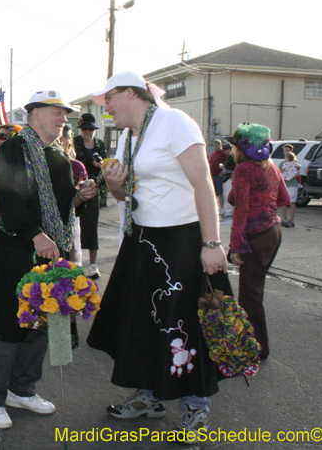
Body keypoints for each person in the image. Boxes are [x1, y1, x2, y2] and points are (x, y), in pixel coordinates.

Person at [85, 71, 229, 441]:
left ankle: (196, 409)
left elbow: (203, 183)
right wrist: (115, 185)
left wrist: (211, 243)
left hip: (182, 239)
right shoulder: (127, 139)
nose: (106, 108)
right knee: (142, 322)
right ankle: (149, 396)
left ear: (131, 94)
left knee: (182, 322)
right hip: (142, 239)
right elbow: (124, 197)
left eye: (109, 99)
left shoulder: (173, 122)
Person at [0, 90, 97, 429]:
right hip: (16, 250)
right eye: (56, 112)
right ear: (34, 114)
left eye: (64, 113)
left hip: (51, 253)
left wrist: (80, 196)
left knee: (43, 321)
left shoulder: (58, 155)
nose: (63, 118)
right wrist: (34, 233)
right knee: (9, 324)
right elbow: (10, 197)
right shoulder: (15, 147)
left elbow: (61, 206)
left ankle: (22, 389)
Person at [226, 123, 289, 360]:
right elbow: (283, 197)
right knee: (254, 291)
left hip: (254, 235)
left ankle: (257, 348)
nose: (232, 151)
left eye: (233, 147)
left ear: (241, 149)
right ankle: (251, 342)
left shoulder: (244, 170)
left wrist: (236, 245)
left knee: (250, 296)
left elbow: (241, 207)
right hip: (272, 232)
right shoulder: (272, 167)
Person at [73, 112, 106, 279]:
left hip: (93, 190)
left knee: (91, 228)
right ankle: (74, 263)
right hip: (76, 189)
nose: (87, 132)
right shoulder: (75, 142)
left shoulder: (100, 144)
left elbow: (105, 167)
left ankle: (93, 265)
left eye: (90, 129)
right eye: (84, 129)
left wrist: (99, 168)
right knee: (73, 227)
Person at [61, 124, 87, 266]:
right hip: (45, 223)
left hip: (71, 219)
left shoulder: (77, 167)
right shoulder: (39, 162)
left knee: (72, 262)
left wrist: (84, 194)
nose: (69, 140)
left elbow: (77, 200)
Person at [278, 145, 300, 227]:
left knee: (292, 202)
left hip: (292, 184)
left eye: (287, 150)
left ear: (291, 151)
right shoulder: (282, 163)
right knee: (284, 203)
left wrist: (290, 177)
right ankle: (284, 219)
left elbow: (298, 174)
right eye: (284, 150)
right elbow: (279, 173)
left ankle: (291, 220)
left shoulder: (296, 163)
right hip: (284, 185)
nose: (285, 152)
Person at [208, 139, 228, 216]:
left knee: (220, 192)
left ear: (220, 145)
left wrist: (222, 172)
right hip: (212, 175)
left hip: (218, 176)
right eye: (214, 144)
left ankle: (222, 208)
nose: (215, 146)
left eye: (217, 144)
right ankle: (215, 207)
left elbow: (226, 163)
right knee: (213, 192)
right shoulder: (213, 154)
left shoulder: (223, 153)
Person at [220, 143, 236, 218]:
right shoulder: (228, 158)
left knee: (228, 194)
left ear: (230, 150)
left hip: (229, 178)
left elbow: (235, 167)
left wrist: (232, 176)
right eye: (224, 150)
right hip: (225, 177)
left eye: (226, 150)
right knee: (225, 194)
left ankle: (229, 211)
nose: (225, 151)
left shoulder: (232, 158)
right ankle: (227, 210)